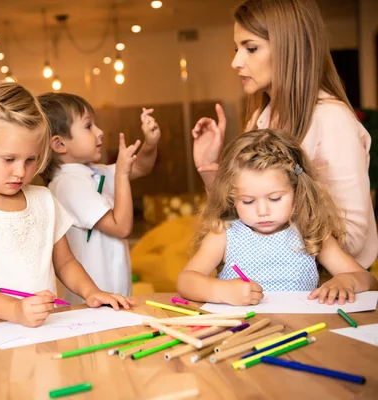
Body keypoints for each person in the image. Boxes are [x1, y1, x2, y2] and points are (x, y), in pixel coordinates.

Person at [192, 0, 378, 268]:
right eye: (237, 48)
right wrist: (210, 168)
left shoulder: (331, 119)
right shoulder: (261, 118)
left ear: (289, 49)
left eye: (251, 48)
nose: (235, 62)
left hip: (328, 290)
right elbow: (236, 218)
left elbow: (353, 237)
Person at [0, 82, 134, 326]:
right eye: (9, 159)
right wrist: (16, 310)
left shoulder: (44, 199)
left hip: (41, 328)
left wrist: (91, 292)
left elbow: (66, 262)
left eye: (30, 160)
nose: (20, 172)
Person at [177, 129, 378, 306]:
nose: (262, 211)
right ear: (232, 198)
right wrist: (221, 291)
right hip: (241, 333)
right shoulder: (224, 234)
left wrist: (347, 281)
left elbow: (368, 280)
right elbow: (186, 281)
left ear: (296, 191)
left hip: (300, 332)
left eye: (275, 198)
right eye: (248, 201)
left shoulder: (309, 232)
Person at [39, 93, 160, 304]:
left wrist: (150, 144)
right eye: (88, 127)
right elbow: (121, 227)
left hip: (113, 294)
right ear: (59, 145)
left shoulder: (91, 172)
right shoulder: (68, 184)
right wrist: (121, 174)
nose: (100, 132)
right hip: (92, 302)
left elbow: (141, 167)